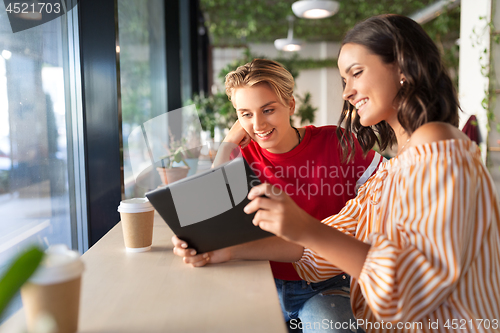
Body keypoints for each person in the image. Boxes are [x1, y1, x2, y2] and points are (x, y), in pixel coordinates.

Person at [245, 15, 500, 333]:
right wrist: (224, 250)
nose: (346, 93)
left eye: (356, 73)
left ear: (404, 67)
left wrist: (306, 228)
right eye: (344, 80)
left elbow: (412, 291)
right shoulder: (393, 169)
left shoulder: (438, 146)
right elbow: (320, 250)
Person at [172, 59, 384, 332]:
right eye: (245, 114)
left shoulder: (337, 142)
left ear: (291, 105)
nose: (258, 124)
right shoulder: (241, 159)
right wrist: (228, 143)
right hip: (260, 278)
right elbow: (209, 217)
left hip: (327, 285)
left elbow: (389, 189)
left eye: (268, 110)